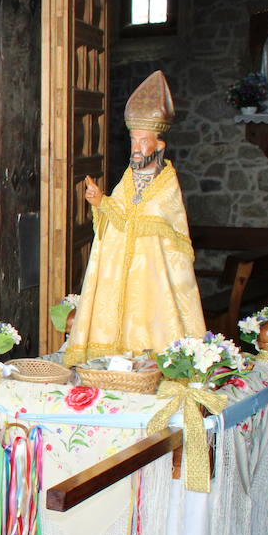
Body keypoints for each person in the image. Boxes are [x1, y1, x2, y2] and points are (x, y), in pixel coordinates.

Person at [62, 70, 205, 366]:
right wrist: (100, 202)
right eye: (133, 140)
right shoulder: (128, 179)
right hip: (120, 272)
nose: (137, 148)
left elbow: (159, 223)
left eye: (143, 140)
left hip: (152, 275)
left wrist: (116, 211)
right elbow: (121, 216)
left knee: (149, 327)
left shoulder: (167, 184)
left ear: (160, 146)